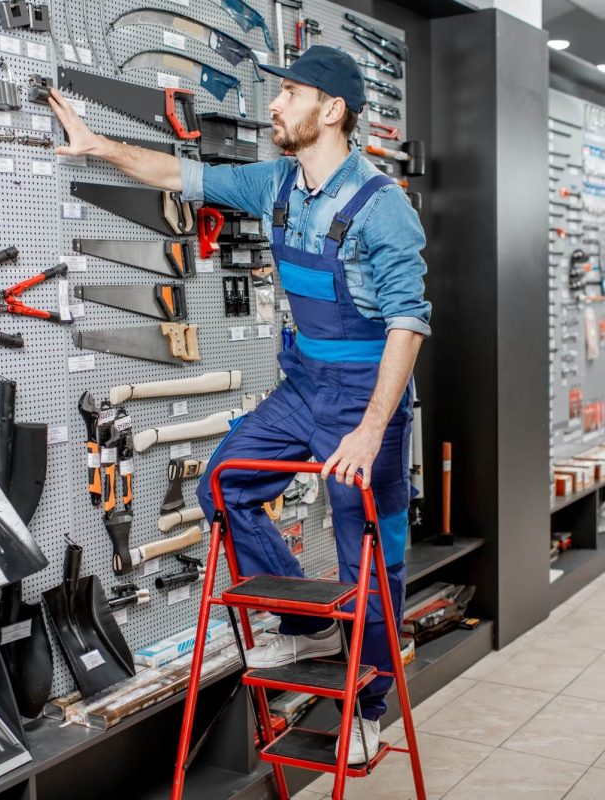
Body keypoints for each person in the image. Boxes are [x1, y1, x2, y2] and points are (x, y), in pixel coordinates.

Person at [48, 45, 430, 764]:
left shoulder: (385, 209)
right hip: (302, 389)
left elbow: (408, 325)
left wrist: (373, 431)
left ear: (333, 110)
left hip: (365, 400)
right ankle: (305, 625)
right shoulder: (276, 184)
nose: (275, 106)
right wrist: (97, 144)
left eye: (290, 93)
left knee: (371, 566)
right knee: (224, 485)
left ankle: (366, 707)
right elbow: (181, 174)